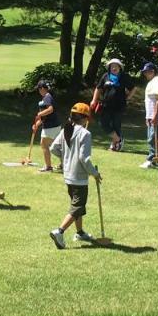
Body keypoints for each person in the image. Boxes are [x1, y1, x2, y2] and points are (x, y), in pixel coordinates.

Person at [48, 102, 99, 248]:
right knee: (78, 206)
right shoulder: (85, 134)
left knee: (76, 205)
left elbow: (53, 148)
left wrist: (65, 158)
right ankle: (59, 231)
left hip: (68, 175)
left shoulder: (66, 129)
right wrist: (94, 173)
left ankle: (80, 232)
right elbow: (84, 158)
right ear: (85, 119)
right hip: (79, 177)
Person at [90, 58, 138, 152]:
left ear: (120, 67)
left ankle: (115, 145)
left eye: (116, 66)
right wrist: (94, 100)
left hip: (119, 106)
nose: (114, 68)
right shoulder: (105, 76)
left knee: (116, 125)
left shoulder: (124, 77)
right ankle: (118, 139)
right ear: (109, 68)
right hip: (106, 105)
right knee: (104, 123)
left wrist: (127, 98)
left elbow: (133, 88)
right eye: (112, 66)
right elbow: (98, 88)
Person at [140, 61, 158, 169]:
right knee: (154, 138)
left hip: (157, 116)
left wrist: (155, 116)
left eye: (147, 72)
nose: (145, 74)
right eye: (144, 72)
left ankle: (151, 160)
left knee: (151, 138)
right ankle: (157, 158)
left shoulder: (157, 82)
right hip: (152, 116)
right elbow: (149, 101)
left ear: (153, 72)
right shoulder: (151, 82)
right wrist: (148, 117)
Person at [32, 80, 61, 172]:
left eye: (39, 89)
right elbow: (45, 116)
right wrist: (37, 124)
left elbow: (50, 109)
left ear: (43, 89)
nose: (39, 91)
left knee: (44, 144)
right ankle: (64, 164)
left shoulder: (47, 97)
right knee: (56, 146)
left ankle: (48, 166)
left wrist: (40, 114)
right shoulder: (47, 97)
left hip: (51, 126)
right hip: (54, 125)